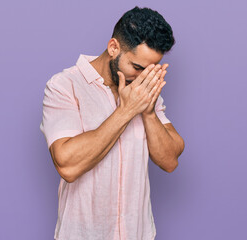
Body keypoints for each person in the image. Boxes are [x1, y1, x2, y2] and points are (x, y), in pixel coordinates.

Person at [39, 6, 185, 240]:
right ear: (113, 47)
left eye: (150, 71)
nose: (142, 78)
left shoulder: (142, 92)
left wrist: (148, 113)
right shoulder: (64, 86)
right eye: (137, 67)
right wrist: (127, 111)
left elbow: (170, 160)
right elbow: (67, 166)